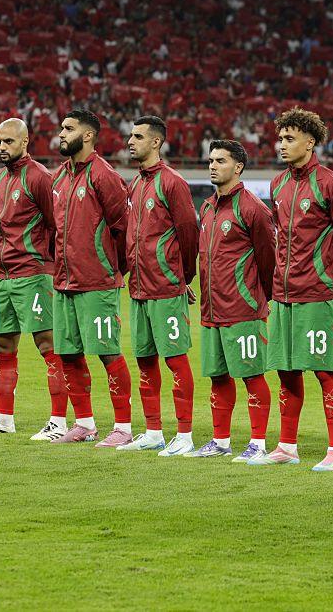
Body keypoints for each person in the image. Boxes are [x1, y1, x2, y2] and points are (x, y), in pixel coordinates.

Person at [249, 108, 333, 471]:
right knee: (285, 370)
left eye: (289, 139)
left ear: (310, 142)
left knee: (324, 370)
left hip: (316, 294)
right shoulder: (278, 184)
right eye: (279, 138)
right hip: (282, 296)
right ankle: (287, 446)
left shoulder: (331, 184)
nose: (281, 145)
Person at [0, 118, 67, 437]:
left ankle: (59, 420)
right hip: (2, 274)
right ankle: (4, 419)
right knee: (2, 343)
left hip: (34, 273)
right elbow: (0, 228)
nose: (1, 147)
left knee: (47, 344)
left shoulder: (39, 177)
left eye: (8, 142)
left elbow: (57, 226)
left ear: (25, 142)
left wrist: (51, 266)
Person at [115, 116, 200, 456]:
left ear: (155, 142)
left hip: (165, 288)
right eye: (130, 136)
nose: (130, 141)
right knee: (145, 361)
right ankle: (153, 431)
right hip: (138, 288)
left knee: (176, 360)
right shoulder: (135, 184)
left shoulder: (172, 182)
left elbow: (189, 233)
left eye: (137, 136)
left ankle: (185, 434)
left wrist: (183, 277)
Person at [187, 140, 275, 461]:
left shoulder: (253, 208)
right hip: (211, 309)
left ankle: (258, 444)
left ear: (237, 167)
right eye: (210, 160)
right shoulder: (207, 207)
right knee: (218, 376)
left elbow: (269, 260)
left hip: (243, 309)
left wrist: (262, 300)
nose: (212, 166)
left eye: (220, 161)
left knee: (252, 375)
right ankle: (220, 441)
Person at [49, 110, 133, 446]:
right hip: (64, 283)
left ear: (87, 135)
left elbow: (123, 229)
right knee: (68, 353)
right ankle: (84, 423)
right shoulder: (59, 177)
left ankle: (124, 428)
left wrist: (110, 270)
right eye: (61, 128)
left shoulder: (104, 175)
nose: (61, 133)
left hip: (96, 284)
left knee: (108, 352)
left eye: (68, 129)